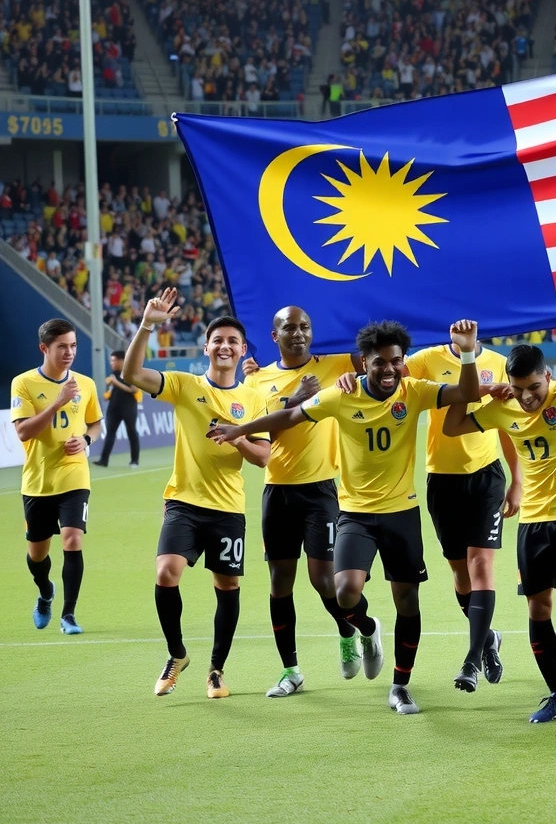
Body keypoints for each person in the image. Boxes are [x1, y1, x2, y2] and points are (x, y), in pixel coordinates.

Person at [209, 318, 484, 716]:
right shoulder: (342, 395)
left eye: (395, 361)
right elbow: (289, 417)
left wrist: (468, 352)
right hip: (355, 514)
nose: (388, 369)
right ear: (365, 363)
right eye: (379, 362)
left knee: (407, 601)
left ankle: (400, 686)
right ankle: (367, 630)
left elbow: (468, 391)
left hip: (402, 512)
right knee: (344, 592)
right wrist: (241, 430)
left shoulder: (415, 391)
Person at [443, 306, 556, 724]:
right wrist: (481, 391)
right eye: (520, 388)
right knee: (538, 610)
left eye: (534, 386)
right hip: (532, 522)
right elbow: (452, 426)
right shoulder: (503, 407)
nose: (528, 396)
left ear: (547, 377)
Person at [122, 287, 270, 700]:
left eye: (232, 341)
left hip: (227, 509)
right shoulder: (185, 385)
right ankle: (176, 655)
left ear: (242, 351)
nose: (224, 345)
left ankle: (217, 670)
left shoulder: (254, 398)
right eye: (218, 340)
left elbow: (264, 458)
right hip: (184, 502)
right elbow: (133, 374)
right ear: (206, 347)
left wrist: (237, 437)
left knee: (227, 587)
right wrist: (148, 326)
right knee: (166, 572)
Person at [241, 306, 364, 698]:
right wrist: (293, 400)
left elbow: (375, 359)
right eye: (289, 328)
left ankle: (351, 631)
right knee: (280, 583)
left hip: (322, 488)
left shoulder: (337, 362)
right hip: (277, 489)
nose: (298, 333)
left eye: (305, 326)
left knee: (323, 580)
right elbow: (263, 439)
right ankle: (290, 671)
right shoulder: (257, 380)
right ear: (273, 335)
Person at [403, 341, 522, 693]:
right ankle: (488, 640)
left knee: (481, 565)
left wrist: (517, 481)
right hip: (441, 479)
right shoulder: (426, 359)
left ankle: (471, 661)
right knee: (460, 573)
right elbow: (389, 381)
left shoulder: (499, 363)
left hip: (487, 477)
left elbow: (505, 424)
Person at [10, 319, 103, 635]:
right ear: (44, 348)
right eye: (62, 346)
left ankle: (69, 615)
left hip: (74, 475)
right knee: (37, 554)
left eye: (74, 345)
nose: (70, 352)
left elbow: (95, 424)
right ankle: (45, 592)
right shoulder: (23, 383)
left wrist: (87, 441)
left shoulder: (86, 384)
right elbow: (23, 431)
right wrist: (57, 402)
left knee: (73, 538)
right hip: (38, 480)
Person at [94, 349, 140, 468]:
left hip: (128, 406)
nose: (112, 363)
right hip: (114, 407)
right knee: (110, 433)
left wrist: (116, 383)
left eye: (114, 360)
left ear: (122, 361)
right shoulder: (113, 374)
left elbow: (134, 389)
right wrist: (108, 393)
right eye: (111, 360)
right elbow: (113, 389)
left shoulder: (130, 372)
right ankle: (104, 460)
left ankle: (134, 460)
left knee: (131, 431)